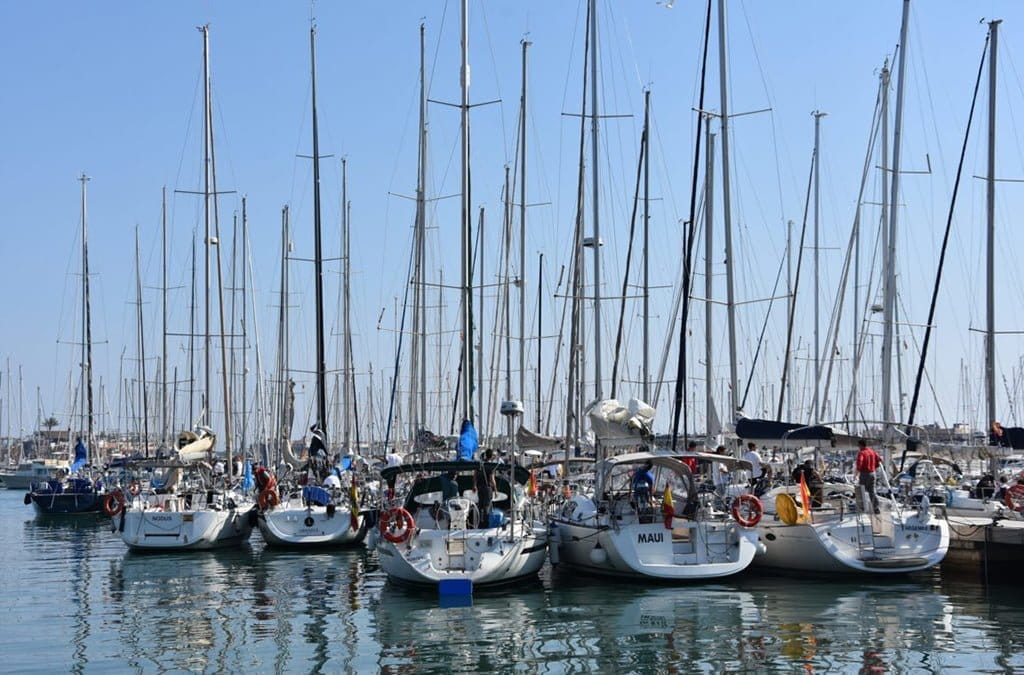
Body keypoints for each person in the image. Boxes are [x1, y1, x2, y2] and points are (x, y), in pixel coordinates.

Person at [855, 438, 882, 514]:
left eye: (858, 446)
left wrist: (856, 474)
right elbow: (879, 459)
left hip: (864, 474)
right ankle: (876, 508)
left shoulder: (862, 453)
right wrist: (875, 466)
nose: (858, 447)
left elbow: (859, 463)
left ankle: (862, 508)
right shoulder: (872, 451)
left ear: (860, 445)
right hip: (873, 473)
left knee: (861, 491)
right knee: (872, 491)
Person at [473, 449, 497, 527]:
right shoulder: (490, 466)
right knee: (486, 506)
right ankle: (486, 524)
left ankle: (480, 523)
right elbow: (492, 479)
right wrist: (496, 490)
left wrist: (474, 485)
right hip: (487, 488)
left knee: (480, 505)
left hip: (480, 487)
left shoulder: (480, 464)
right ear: (491, 456)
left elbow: (475, 476)